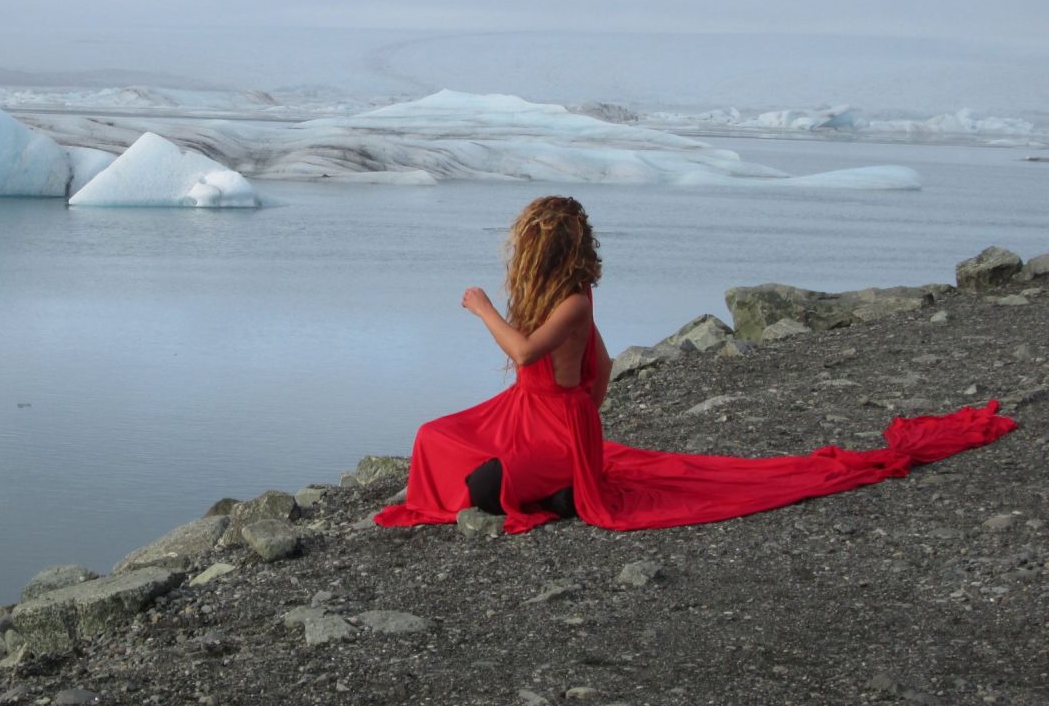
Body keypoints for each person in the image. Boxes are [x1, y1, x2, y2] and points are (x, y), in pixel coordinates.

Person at [374, 195, 1016, 536]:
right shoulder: (558, 298)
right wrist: (581, 420)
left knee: (489, 485)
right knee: (434, 436)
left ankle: (561, 488)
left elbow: (523, 352)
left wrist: (484, 309)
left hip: (551, 424)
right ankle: (559, 486)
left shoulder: (572, 301)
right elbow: (602, 365)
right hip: (527, 415)